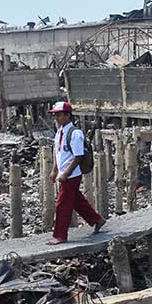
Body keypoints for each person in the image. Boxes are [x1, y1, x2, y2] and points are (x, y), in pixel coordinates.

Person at [46, 101, 104, 245]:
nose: (56, 118)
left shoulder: (75, 133)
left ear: (67, 115)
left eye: (59, 115)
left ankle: (60, 235)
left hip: (72, 175)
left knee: (62, 204)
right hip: (64, 173)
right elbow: (58, 154)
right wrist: (54, 170)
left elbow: (78, 156)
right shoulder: (59, 132)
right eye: (55, 115)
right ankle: (97, 220)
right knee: (76, 201)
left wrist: (66, 173)